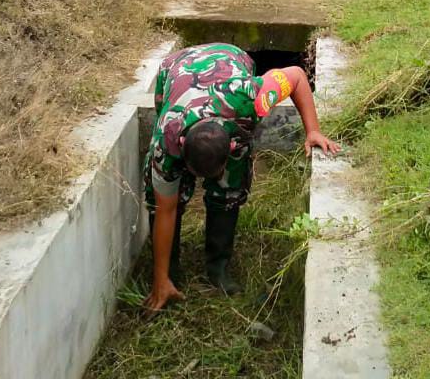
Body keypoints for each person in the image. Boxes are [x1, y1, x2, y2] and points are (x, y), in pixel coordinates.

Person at [141, 43, 340, 313]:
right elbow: (165, 208)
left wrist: (313, 131)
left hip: (230, 58)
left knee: (229, 190)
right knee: (166, 196)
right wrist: (158, 279)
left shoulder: (252, 97)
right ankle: (168, 276)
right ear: (181, 143)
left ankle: (218, 269)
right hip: (176, 67)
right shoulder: (168, 137)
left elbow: (295, 75)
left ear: (231, 149)